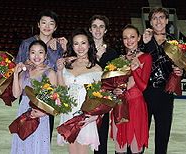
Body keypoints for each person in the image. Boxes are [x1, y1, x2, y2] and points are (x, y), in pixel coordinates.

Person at [15, 9, 66, 142]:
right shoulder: (26, 44)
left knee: (43, 138)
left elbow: (60, 71)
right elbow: (17, 68)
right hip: (27, 96)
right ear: (38, 24)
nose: (47, 27)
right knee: (24, 136)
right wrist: (24, 66)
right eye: (43, 23)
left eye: (51, 23)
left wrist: (65, 50)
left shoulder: (59, 46)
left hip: (47, 100)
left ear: (55, 27)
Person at [142, 7, 183, 154]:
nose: (158, 21)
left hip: (166, 94)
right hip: (145, 94)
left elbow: (178, 67)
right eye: (154, 18)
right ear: (150, 22)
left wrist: (180, 72)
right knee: (140, 136)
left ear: (166, 20)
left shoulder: (175, 44)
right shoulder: (144, 40)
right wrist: (145, 43)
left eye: (161, 17)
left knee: (163, 136)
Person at [56, 28, 102, 154]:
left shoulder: (96, 68)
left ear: (89, 45)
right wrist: (59, 71)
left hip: (85, 115)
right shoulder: (68, 65)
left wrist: (96, 115)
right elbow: (62, 90)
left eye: (83, 43)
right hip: (68, 113)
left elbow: (100, 96)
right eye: (76, 43)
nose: (80, 47)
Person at [111, 24, 152, 154]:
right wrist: (114, 90)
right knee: (120, 146)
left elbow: (143, 86)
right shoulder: (119, 59)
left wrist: (134, 70)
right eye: (125, 37)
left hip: (136, 106)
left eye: (132, 37)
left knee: (135, 147)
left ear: (139, 38)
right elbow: (112, 83)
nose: (129, 40)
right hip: (120, 105)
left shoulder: (146, 57)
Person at [11, 40, 57, 154]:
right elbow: (16, 94)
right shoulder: (24, 72)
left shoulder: (50, 73)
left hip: (40, 115)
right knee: (23, 145)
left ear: (46, 55)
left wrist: (43, 113)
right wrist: (16, 74)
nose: (36, 56)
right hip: (23, 111)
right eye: (33, 52)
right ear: (28, 54)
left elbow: (56, 99)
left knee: (38, 146)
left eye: (40, 52)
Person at [89, 14, 119, 154]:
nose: (98, 30)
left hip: (103, 100)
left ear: (106, 30)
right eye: (94, 26)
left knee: (101, 140)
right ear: (90, 29)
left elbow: (115, 78)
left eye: (101, 27)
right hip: (84, 98)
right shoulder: (83, 50)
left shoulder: (112, 53)